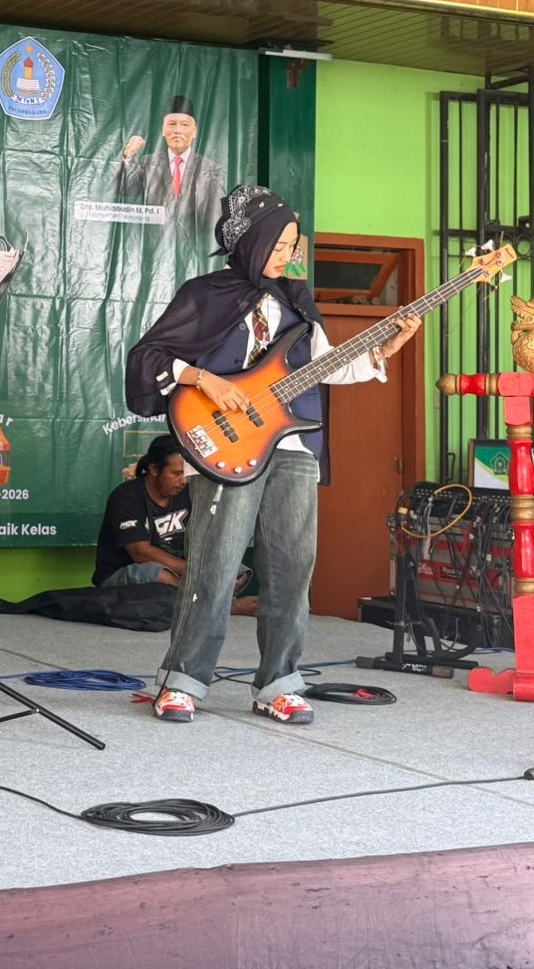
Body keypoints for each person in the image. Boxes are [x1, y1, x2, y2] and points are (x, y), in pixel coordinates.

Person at [125, 185, 420, 724]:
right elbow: (149, 356)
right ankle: (183, 680)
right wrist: (205, 380)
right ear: (252, 242)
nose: (287, 255)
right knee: (215, 562)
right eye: (279, 246)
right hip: (228, 442)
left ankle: (279, 682)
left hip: (294, 444)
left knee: (292, 566)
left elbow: (324, 366)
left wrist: (381, 351)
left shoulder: (296, 299)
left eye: (292, 245)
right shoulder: (204, 294)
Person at [94, 435, 256, 616]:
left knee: (238, 570)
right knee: (158, 574)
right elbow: (141, 554)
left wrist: (217, 568)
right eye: (177, 474)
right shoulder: (126, 497)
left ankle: (208, 599)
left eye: (187, 474)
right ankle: (224, 607)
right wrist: (198, 571)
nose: (184, 480)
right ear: (154, 469)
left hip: (177, 565)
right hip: (126, 573)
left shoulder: (188, 491)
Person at [114, 95, 225, 227]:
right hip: (156, 236)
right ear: (163, 130)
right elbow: (125, 190)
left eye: (184, 124)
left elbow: (216, 216)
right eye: (172, 124)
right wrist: (127, 158)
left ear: (194, 131)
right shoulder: (149, 163)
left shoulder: (211, 170)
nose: (177, 130)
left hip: (196, 236)